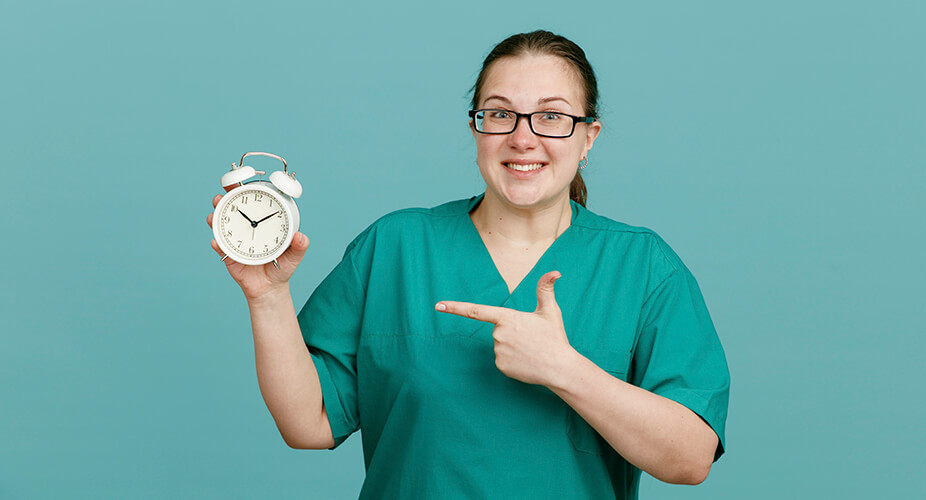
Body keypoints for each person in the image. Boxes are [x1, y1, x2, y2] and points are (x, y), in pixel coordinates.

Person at [208, 30, 729, 499]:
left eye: (551, 116)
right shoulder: (396, 247)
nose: (523, 138)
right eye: (500, 113)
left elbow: (690, 458)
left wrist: (564, 369)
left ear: (588, 136)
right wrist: (267, 296)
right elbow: (310, 423)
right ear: (477, 128)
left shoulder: (642, 267)